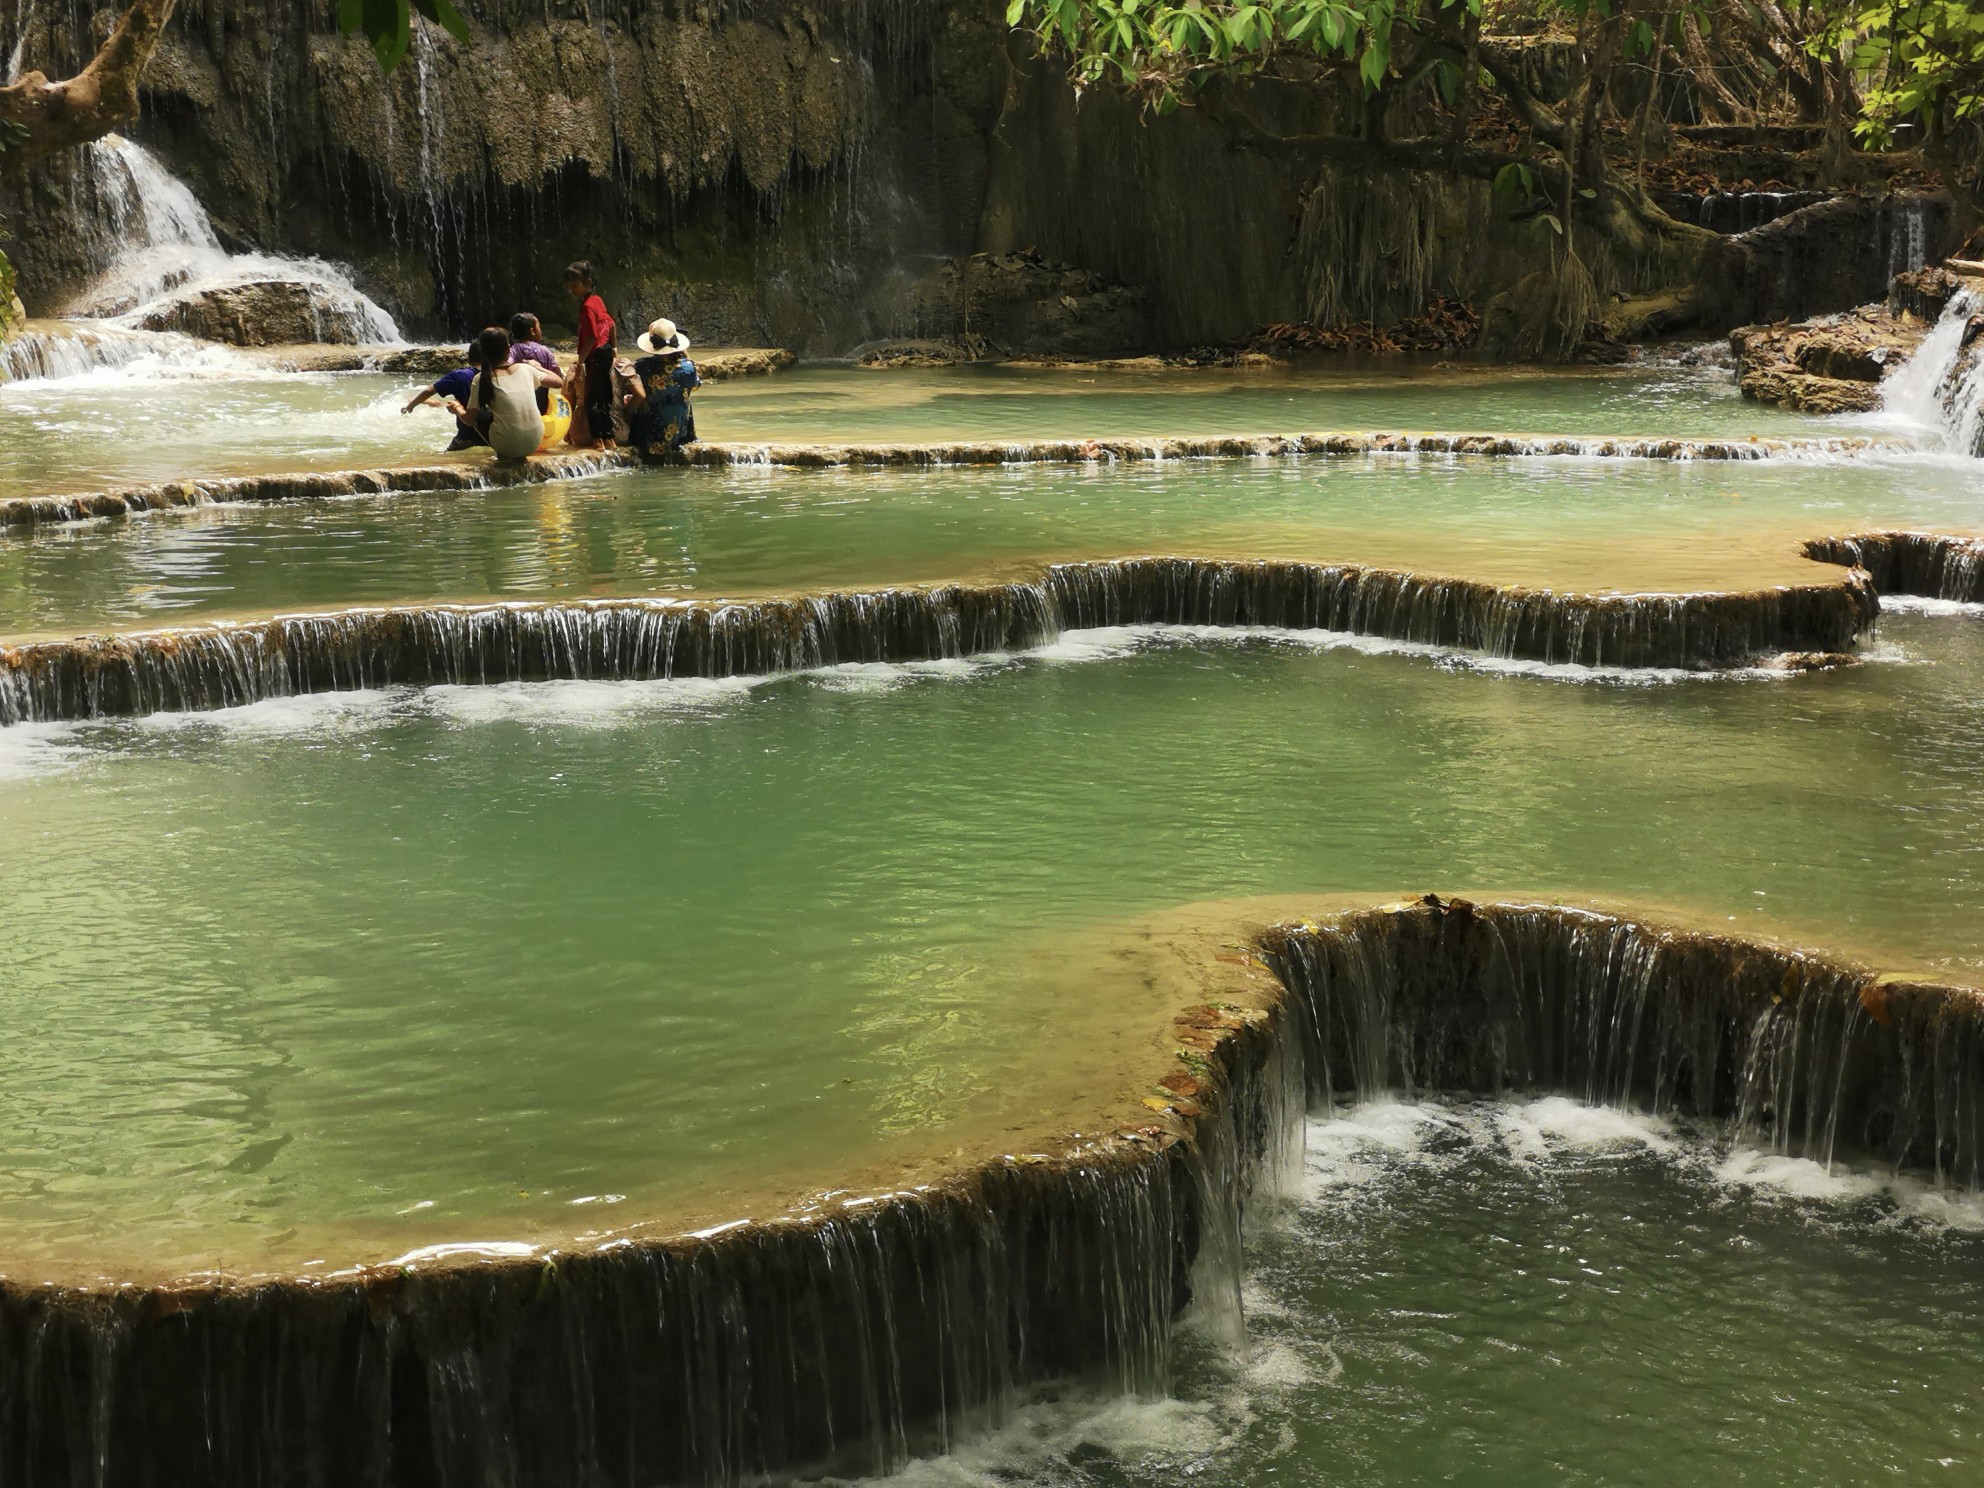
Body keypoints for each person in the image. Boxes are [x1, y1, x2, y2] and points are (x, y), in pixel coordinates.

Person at [448, 325, 563, 462]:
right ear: (509, 350)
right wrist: (538, 367)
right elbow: (558, 382)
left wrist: (457, 409)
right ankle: (519, 455)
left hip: (506, 446)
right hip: (535, 442)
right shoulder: (526, 369)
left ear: (482, 353)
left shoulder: (480, 379)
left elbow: (469, 420)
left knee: (480, 413)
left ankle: (503, 455)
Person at [625, 317, 702, 458]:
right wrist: (686, 355)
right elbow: (696, 386)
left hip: (647, 437)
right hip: (679, 437)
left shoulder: (641, 367)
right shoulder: (688, 368)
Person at [565, 261, 616, 450]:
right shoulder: (598, 300)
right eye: (569, 287)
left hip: (594, 355)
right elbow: (611, 324)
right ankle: (609, 438)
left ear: (587, 282)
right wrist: (615, 347)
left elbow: (592, 337)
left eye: (575, 285)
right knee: (603, 396)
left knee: (591, 399)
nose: (572, 290)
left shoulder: (586, 307)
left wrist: (579, 362)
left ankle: (598, 440)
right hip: (605, 352)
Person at [402, 343, 487, 451]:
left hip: (467, 437)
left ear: (469, 358)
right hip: (493, 437)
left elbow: (429, 390)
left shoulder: (460, 376)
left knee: (442, 458)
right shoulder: (498, 374)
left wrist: (410, 406)